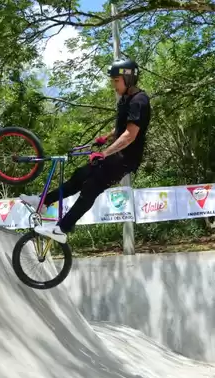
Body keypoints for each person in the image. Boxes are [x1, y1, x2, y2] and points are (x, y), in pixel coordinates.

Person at [20, 58, 151, 243]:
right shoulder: (126, 99)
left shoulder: (139, 101)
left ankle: (62, 228)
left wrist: (104, 153)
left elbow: (130, 135)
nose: (114, 85)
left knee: (90, 187)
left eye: (116, 81)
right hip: (118, 156)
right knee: (80, 175)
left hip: (125, 159)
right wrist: (106, 137)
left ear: (128, 79)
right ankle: (44, 201)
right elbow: (122, 128)